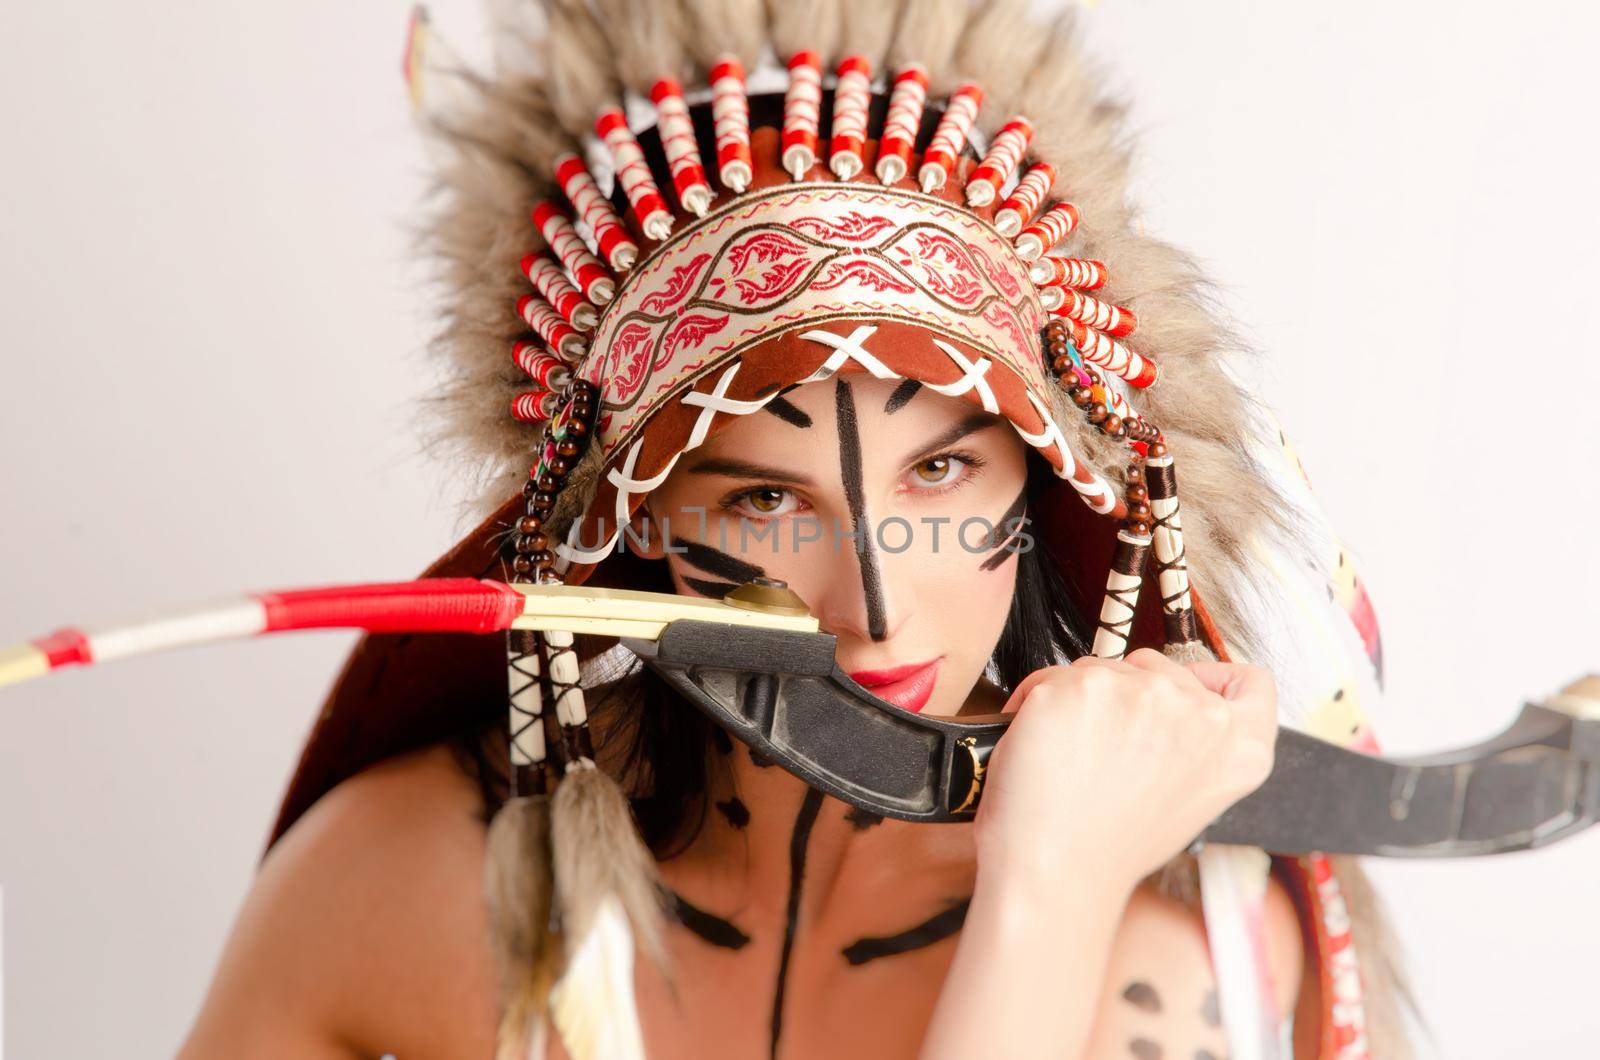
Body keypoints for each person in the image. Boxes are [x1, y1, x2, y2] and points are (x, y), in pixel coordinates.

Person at [176, 1, 1407, 1056]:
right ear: (636, 515)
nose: (872, 604)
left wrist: (1054, 884)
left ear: (1040, 483)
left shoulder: (1179, 946)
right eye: (767, 498)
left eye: (940, 471)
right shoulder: (411, 876)